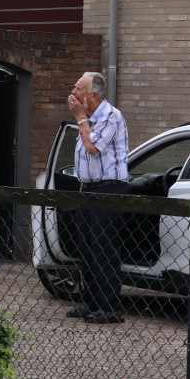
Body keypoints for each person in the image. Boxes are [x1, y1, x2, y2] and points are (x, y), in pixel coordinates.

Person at [66, 71, 130, 324]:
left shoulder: (110, 116)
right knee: (87, 248)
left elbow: (93, 148)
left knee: (104, 248)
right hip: (88, 189)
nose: (73, 93)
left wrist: (81, 119)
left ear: (93, 95)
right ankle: (91, 301)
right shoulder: (89, 120)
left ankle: (110, 306)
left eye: (77, 88)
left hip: (109, 189)